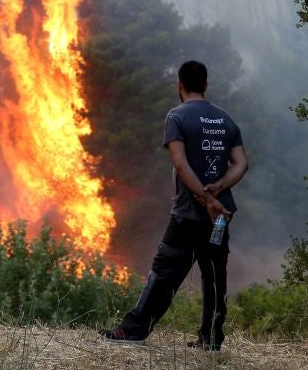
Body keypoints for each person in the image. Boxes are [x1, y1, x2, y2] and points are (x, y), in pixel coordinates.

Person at [101, 60, 248, 351]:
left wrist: (206, 199)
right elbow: (241, 164)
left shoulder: (177, 116)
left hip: (189, 214)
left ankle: (132, 331)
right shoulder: (225, 119)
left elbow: (180, 164)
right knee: (215, 277)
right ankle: (212, 339)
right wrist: (217, 190)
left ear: (179, 85)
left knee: (163, 272)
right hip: (221, 215)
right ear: (205, 85)